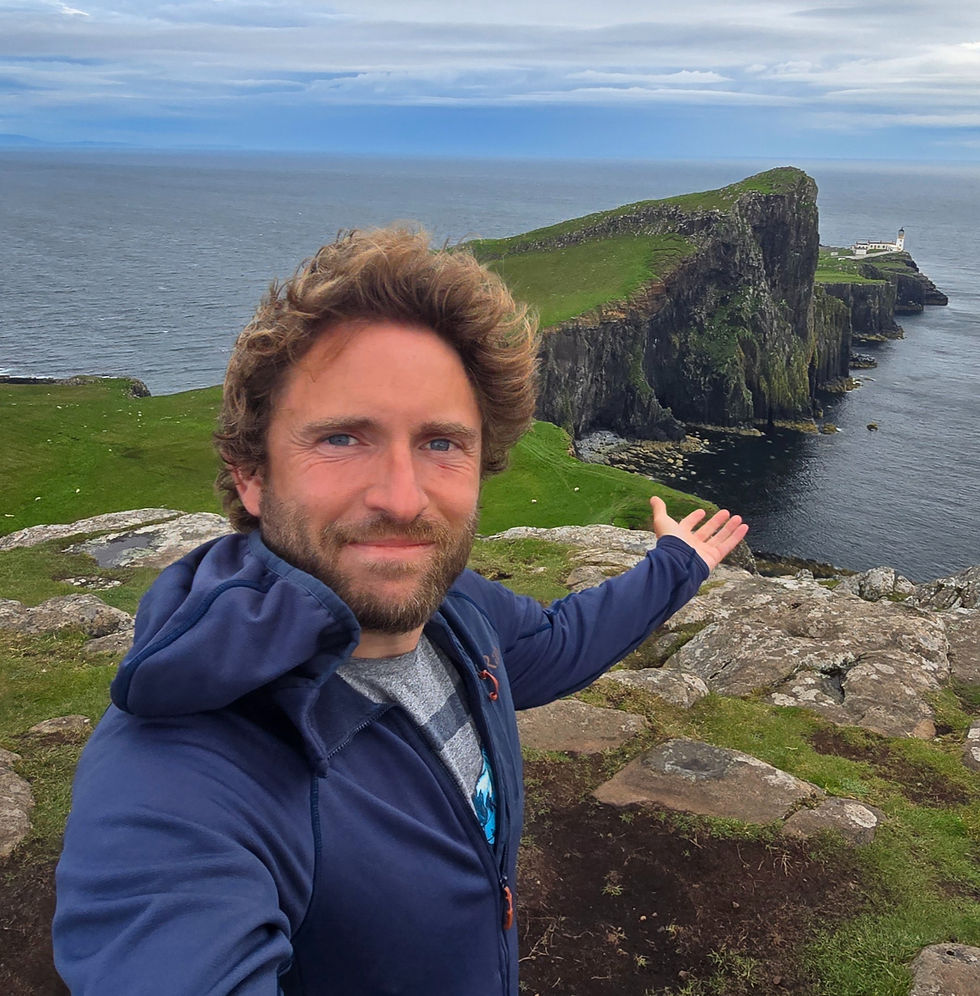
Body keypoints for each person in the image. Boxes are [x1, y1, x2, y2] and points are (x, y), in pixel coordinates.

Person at [53, 227, 747, 995]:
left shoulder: (453, 610)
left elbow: (554, 644)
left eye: (441, 443)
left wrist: (678, 565)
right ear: (251, 475)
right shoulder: (178, 771)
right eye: (343, 437)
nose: (401, 497)